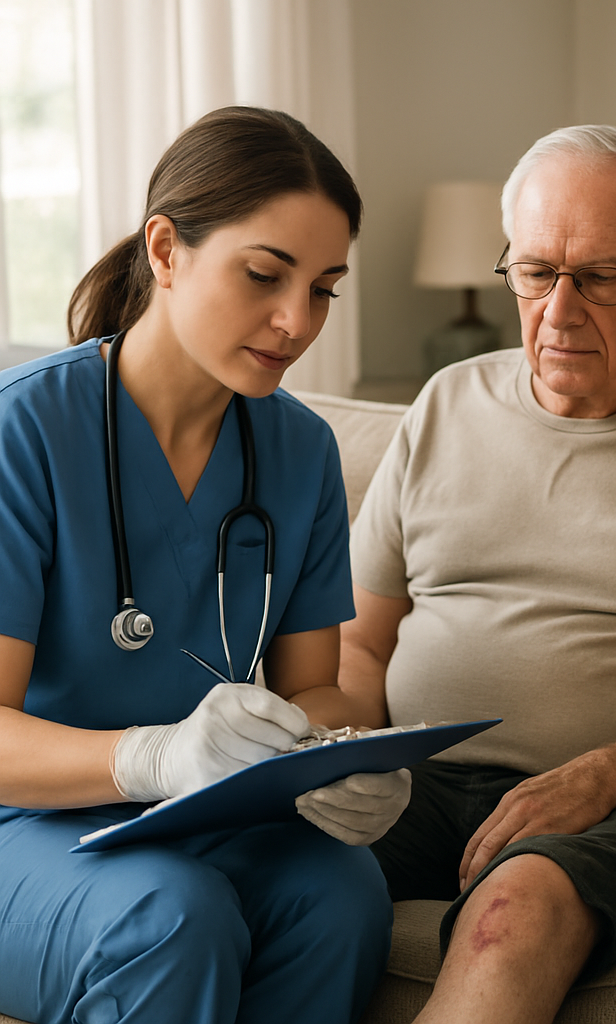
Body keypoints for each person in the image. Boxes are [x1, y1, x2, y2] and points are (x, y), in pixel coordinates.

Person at [311, 125, 616, 1024]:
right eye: (536, 273)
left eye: (603, 277)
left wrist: (606, 774)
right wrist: (332, 757)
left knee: (514, 914)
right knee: (261, 862)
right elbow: (360, 642)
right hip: (416, 780)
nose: (560, 310)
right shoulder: (447, 402)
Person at [0, 106, 411, 1024]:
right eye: (265, 275)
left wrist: (342, 760)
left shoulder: (298, 451)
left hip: (205, 819)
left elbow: (320, 688)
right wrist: (153, 756)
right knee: (166, 917)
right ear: (166, 249)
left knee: (341, 900)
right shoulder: (24, 432)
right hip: (24, 829)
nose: (295, 321)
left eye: (324, 289)